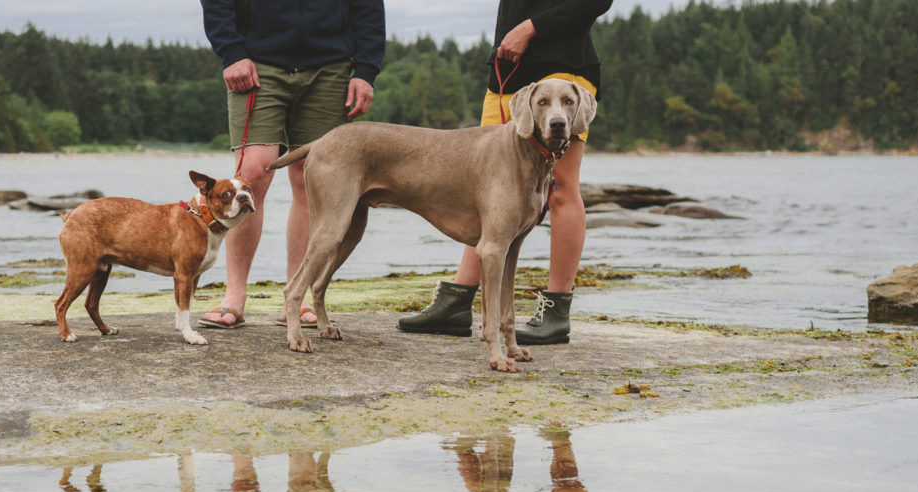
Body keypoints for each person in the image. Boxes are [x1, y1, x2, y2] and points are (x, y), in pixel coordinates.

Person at [398, 0, 612, 345]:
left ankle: (556, 310)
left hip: (561, 67)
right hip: (508, 73)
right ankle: (458, 299)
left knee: (559, 189)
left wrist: (531, 27)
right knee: (486, 190)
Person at [199, 0, 386, 329]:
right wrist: (230, 50)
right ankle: (234, 296)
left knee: (311, 180)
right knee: (252, 174)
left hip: (331, 66)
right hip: (256, 62)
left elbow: (368, 7)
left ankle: (296, 297)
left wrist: (366, 71)